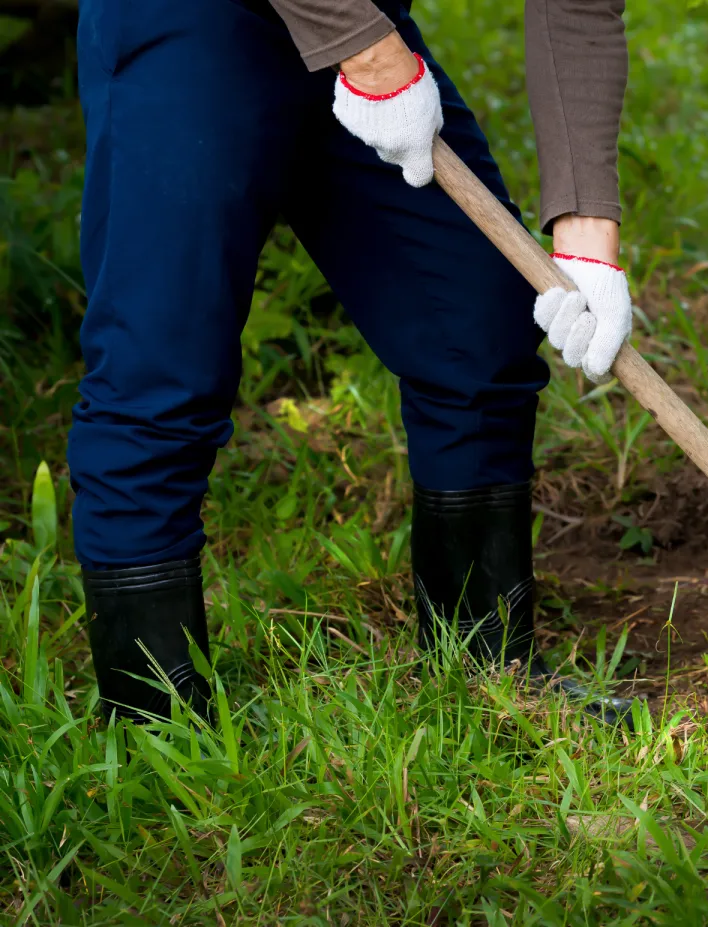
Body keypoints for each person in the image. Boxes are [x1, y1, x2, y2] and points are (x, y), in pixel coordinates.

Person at [70, 0, 634, 726]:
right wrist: (370, 56)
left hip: (359, 20)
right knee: (161, 366)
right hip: (190, 23)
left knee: (477, 320)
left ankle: (487, 671)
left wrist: (587, 233)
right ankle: (157, 733)